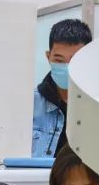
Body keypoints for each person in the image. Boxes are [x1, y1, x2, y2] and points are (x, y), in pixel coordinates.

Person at [32, 18, 93, 158]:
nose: (67, 67)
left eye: (75, 60)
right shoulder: (30, 105)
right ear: (48, 57)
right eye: (59, 60)